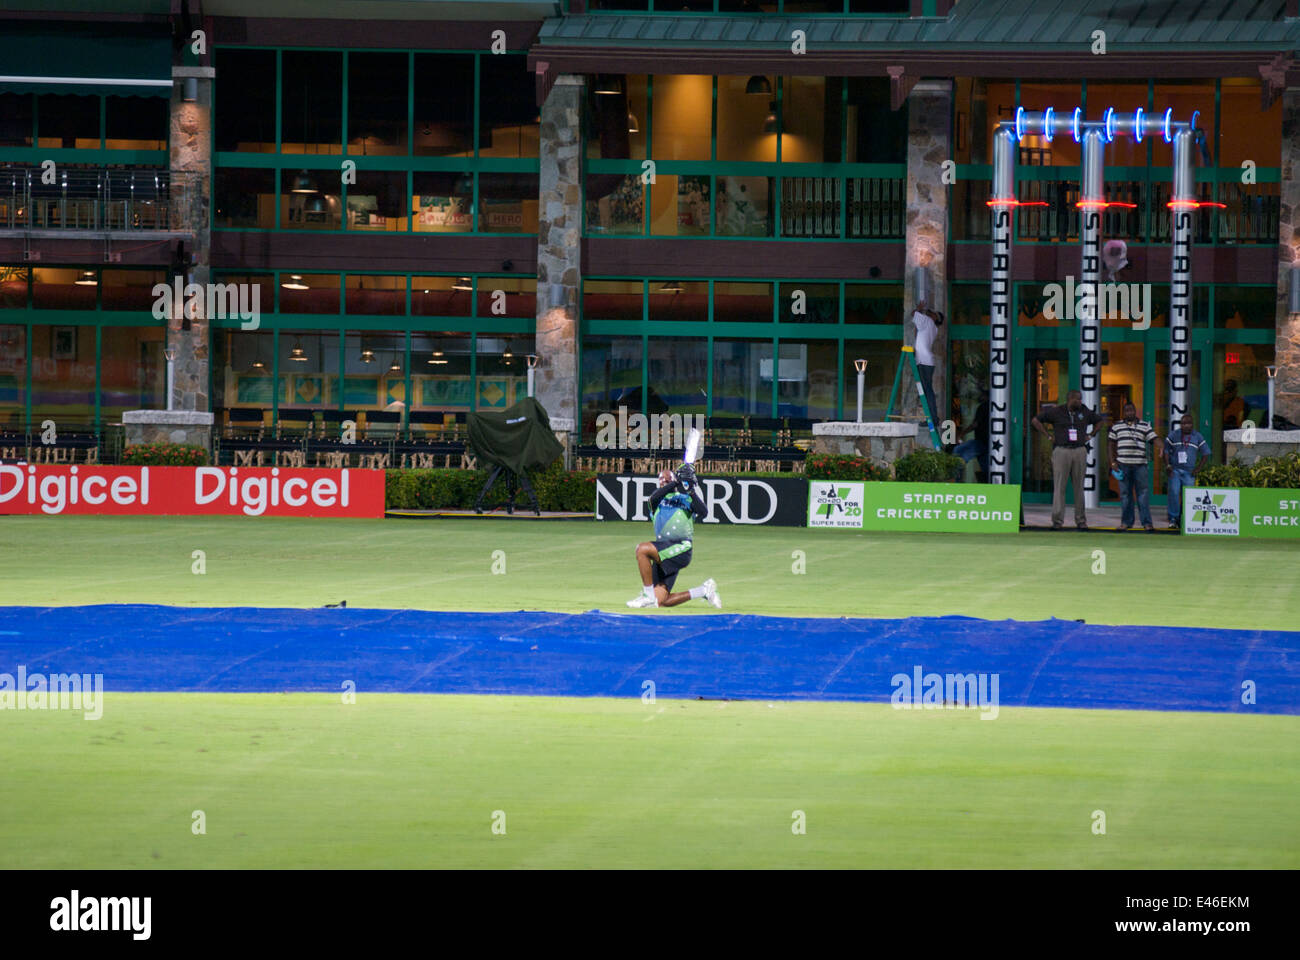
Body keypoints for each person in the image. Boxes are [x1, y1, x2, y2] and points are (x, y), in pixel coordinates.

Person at [627, 463, 721, 609]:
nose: (663, 481)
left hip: (680, 548)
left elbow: (704, 512)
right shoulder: (655, 501)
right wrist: (676, 481)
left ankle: (647, 596)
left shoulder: (685, 499)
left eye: (666, 479)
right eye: (660, 479)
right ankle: (704, 590)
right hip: (664, 551)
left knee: (642, 549)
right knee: (661, 601)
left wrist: (690, 490)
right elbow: (654, 497)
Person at [1031, 389, 1106, 530]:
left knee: (1079, 487)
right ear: (1069, 399)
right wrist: (1048, 436)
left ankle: (1081, 521)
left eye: (1080, 399)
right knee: (1060, 487)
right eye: (1076, 399)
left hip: (1079, 450)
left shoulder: (1084, 411)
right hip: (1061, 450)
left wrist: (1091, 435)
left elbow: (1100, 421)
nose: (1079, 401)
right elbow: (1035, 420)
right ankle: (1057, 521)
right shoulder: (1056, 411)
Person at [1108, 401, 1160, 532]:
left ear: (1135, 411)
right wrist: (1112, 462)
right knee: (1125, 495)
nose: (1129, 413)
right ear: (1123, 412)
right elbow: (1110, 444)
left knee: (1143, 494)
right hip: (1123, 464)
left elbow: (1154, 439)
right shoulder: (1116, 426)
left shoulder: (1144, 425)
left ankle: (1147, 523)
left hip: (1140, 465)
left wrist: (1161, 446)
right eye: (1127, 411)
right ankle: (1126, 522)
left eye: (1131, 410)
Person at [1164, 412, 1212, 530]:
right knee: (1174, 493)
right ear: (1180, 424)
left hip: (1189, 472)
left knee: (1188, 496)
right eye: (1183, 423)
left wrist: (1198, 468)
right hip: (1175, 470)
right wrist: (1168, 466)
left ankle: (1184, 518)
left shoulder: (1197, 436)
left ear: (1192, 424)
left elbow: (1206, 453)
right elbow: (1165, 451)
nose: (1186, 425)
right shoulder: (1174, 435)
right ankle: (1173, 519)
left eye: (1188, 423)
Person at [910, 301, 944, 420]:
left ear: (935, 318)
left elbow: (913, 314)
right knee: (927, 389)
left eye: (933, 313)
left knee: (927, 390)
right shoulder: (934, 328)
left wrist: (919, 308)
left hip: (923, 361)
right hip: (926, 361)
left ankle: (933, 418)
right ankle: (932, 417)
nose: (931, 313)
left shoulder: (928, 321)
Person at [954, 391, 990, 483]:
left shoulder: (983, 407)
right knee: (986, 468)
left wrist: (961, 434)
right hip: (989, 443)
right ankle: (988, 485)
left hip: (981, 441)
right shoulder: (993, 407)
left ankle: (955, 481)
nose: (980, 396)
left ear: (986, 396)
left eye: (982, 394)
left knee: (958, 453)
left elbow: (975, 424)